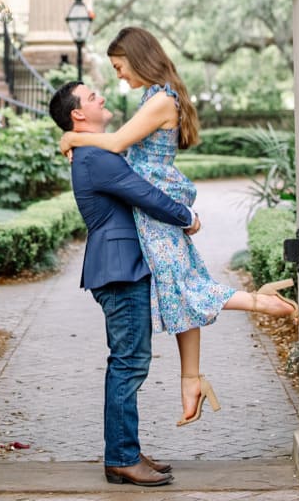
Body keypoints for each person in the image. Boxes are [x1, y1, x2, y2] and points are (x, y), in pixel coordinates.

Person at [59, 26, 297, 427]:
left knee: (183, 286)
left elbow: (116, 144)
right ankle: (193, 380)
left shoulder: (161, 99)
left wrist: (72, 137)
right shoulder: (154, 96)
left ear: (138, 58)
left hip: (156, 211)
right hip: (154, 211)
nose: (118, 76)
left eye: (119, 67)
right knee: (180, 286)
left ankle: (262, 303)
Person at [48, 79, 198, 486]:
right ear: (79, 114)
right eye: (92, 96)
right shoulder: (97, 158)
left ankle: (125, 447)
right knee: (129, 362)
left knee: (130, 360)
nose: (101, 96)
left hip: (121, 267)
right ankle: (121, 457)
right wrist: (187, 217)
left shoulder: (92, 151)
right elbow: (143, 193)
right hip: (119, 269)